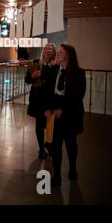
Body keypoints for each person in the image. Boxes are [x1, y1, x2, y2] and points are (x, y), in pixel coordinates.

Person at [43, 44, 86, 186]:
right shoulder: (54, 70)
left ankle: (73, 169)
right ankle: (57, 176)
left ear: (69, 55)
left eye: (61, 52)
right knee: (55, 147)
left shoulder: (79, 73)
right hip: (55, 114)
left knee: (71, 145)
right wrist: (48, 108)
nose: (58, 54)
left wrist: (63, 110)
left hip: (70, 114)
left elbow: (77, 96)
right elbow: (49, 91)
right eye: (58, 52)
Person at [25, 43, 57, 159]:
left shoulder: (56, 66)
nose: (49, 51)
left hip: (50, 99)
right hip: (37, 99)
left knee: (50, 124)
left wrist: (53, 68)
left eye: (51, 49)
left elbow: (55, 84)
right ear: (43, 51)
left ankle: (48, 144)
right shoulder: (36, 63)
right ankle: (41, 149)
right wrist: (33, 76)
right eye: (47, 49)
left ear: (54, 52)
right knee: (39, 124)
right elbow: (27, 80)